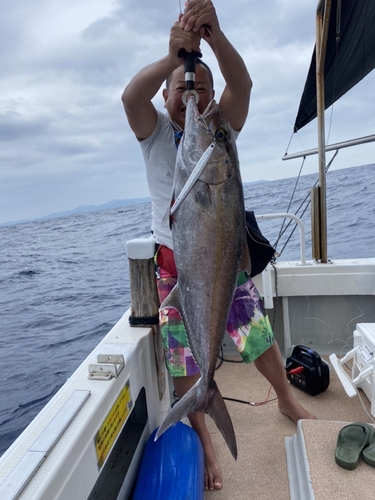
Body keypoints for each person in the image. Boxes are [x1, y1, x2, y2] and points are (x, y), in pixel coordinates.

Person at [122, 0, 315, 491]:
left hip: (224, 253)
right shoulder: (156, 135)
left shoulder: (219, 131)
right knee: (184, 358)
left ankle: (286, 399)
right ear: (167, 94)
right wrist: (174, 58)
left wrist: (214, 38)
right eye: (182, 89)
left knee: (255, 331)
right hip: (174, 262)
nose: (192, 96)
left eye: (201, 90)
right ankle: (205, 438)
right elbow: (130, 98)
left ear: (211, 99)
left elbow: (242, 86)